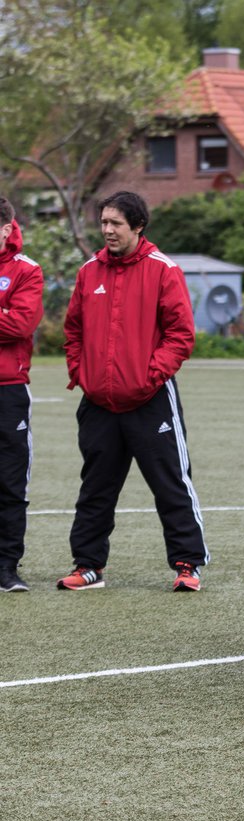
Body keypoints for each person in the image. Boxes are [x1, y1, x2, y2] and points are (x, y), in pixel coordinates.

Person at [60, 191, 207, 592]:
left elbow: (181, 335)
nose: (107, 230)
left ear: (137, 226)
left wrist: (148, 377)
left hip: (151, 399)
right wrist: (82, 373)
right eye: (104, 222)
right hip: (98, 403)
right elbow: (72, 330)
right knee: (95, 487)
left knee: (171, 483)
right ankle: (88, 566)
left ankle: (188, 564)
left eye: (115, 224)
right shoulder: (89, 270)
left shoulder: (163, 270)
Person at [0, 197, 43, 593]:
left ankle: (7, 566)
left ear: (7, 228)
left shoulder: (27, 270)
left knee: (11, 484)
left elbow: (20, 324)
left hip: (9, 391)